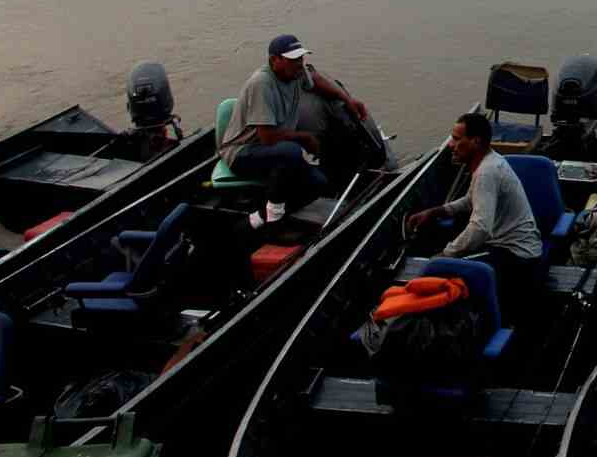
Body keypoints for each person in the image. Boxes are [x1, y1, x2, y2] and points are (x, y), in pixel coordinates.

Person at [403, 112, 543, 322]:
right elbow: (470, 200)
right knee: (453, 247)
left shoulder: (486, 172)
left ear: (475, 142)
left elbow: (480, 228)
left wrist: (445, 254)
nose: (451, 145)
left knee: (442, 271)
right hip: (507, 247)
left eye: (457, 139)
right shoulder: (490, 161)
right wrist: (435, 212)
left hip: (516, 257)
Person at [221, 34, 369, 229]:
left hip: (276, 147)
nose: (299, 64)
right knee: (290, 152)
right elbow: (267, 138)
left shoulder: (294, 74)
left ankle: (257, 219)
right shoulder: (262, 83)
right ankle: (275, 222)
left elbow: (314, 80)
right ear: (275, 60)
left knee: (318, 183)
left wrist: (347, 99)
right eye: (293, 60)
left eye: (301, 58)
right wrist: (305, 138)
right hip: (242, 152)